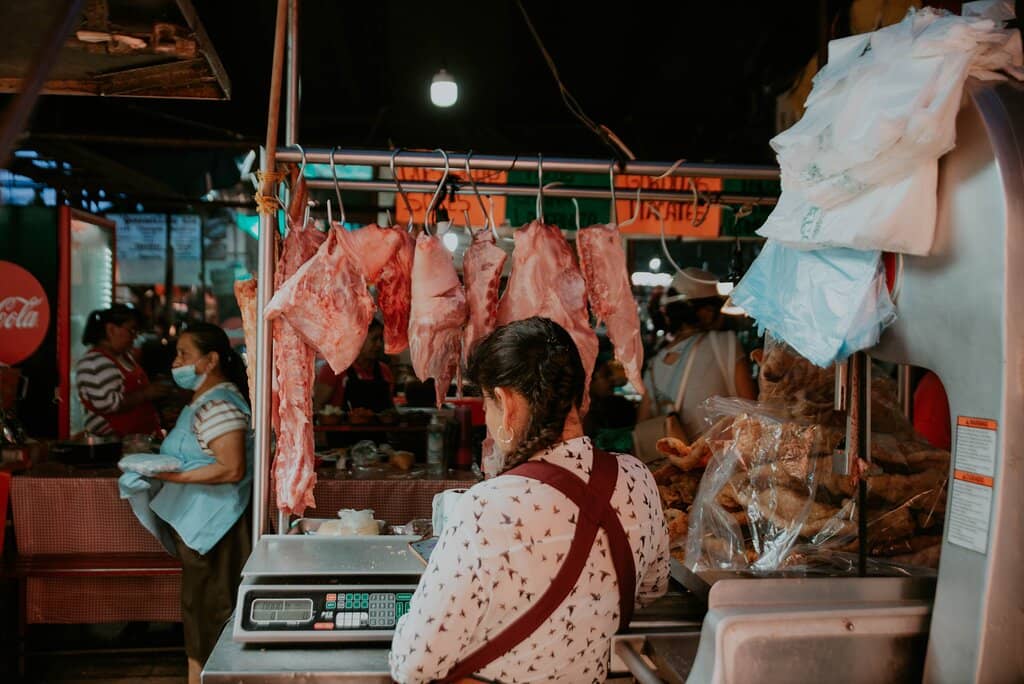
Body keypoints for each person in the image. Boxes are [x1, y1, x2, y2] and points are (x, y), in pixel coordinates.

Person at [389, 317, 669, 683]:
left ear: (504, 402)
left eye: (486, 404)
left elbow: (413, 666)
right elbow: (652, 588)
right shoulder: (637, 478)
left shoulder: (485, 507)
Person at [146, 322, 253, 684]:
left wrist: (172, 476)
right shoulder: (205, 401)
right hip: (202, 527)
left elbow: (232, 468)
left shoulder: (221, 404)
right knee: (200, 611)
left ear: (210, 361)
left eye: (184, 354)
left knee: (214, 611)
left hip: (219, 526)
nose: (176, 362)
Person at [637, 267, 757, 440]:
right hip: (720, 464)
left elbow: (643, 423)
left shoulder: (655, 362)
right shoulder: (725, 344)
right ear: (707, 312)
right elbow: (751, 410)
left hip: (669, 464)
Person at [76, 305, 170, 437]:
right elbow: (108, 404)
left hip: (140, 440)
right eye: (131, 330)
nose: (135, 336)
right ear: (111, 329)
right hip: (115, 443)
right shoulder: (95, 362)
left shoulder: (125, 357)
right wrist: (146, 393)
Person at [313, 318, 394, 413]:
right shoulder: (335, 369)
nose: (379, 344)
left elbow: (389, 410)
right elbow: (318, 406)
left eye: (381, 339)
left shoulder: (385, 371)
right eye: (374, 339)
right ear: (359, 339)